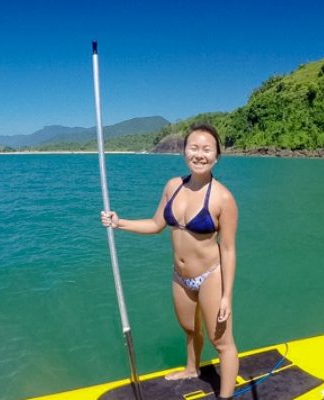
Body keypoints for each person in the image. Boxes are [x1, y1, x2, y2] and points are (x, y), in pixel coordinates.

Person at [100, 123, 239, 399]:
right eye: (194, 148)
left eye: (207, 149)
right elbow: (155, 224)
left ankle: (225, 396)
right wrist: (120, 223)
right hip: (180, 276)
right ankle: (192, 369)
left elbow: (229, 250)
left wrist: (226, 296)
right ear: (184, 151)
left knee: (222, 342)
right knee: (189, 329)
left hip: (211, 274)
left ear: (217, 156)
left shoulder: (223, 198)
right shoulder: (173, 186)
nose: (200, 154)